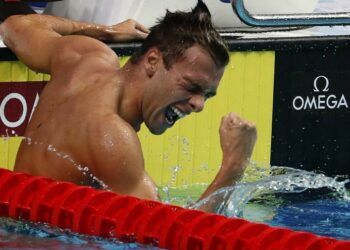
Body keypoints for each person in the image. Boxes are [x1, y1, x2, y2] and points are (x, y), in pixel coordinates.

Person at [0, 1, 257, 207]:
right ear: (153, 60)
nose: (199, 104)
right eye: (192, 87)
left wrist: (105, 31)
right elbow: (170, 234)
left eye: (207, 95)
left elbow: (15, 26)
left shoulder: (88, 56)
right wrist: (234, 166)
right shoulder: (111, 136)